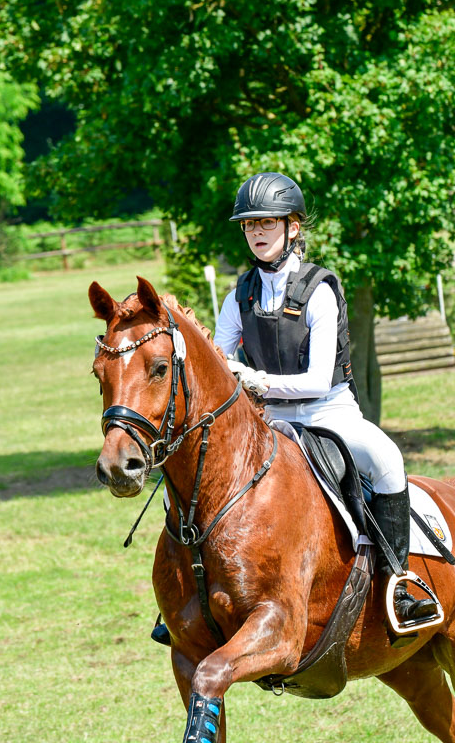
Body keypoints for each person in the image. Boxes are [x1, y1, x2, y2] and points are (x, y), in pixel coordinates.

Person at [151, 171, 436, 647]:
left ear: (293, 227)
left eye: (267, 222)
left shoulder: (320, 289)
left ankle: (398, 585)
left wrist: (256, 380)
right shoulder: (237, 296)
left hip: (328, 415)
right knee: (180, 484)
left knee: (388, 461)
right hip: (269, 423)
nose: (257, 232)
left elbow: (317, 380)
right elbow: (221, 366)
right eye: (249, 225)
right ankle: (178, 602)